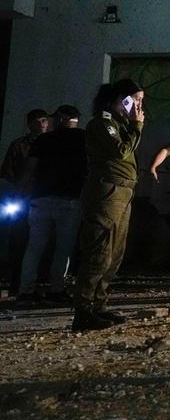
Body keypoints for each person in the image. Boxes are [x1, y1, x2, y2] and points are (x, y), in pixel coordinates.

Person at [72, 79, 145, 331]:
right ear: (119, 99)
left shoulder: (120, 125)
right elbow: (121, 152)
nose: (138, 107)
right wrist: (137, 126)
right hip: (108, 190)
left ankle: (99, 306)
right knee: (99, 250)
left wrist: (132, 125)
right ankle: (83, 310)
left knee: (115, 252)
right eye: (134, 100)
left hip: (124, 191)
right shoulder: (102, 124)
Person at [18, 105, 87, 304]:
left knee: (34, 247)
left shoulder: (44, 139)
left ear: (61, 118)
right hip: (71, 200)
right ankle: (57, 289)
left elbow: (30, 168)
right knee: (63, 248)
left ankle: (26, 292)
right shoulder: (85, 138)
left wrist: (21, 191)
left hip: (41, 199)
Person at [2, 108, 50, 294]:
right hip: (23, 197)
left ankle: (38, 282)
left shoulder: (52, 144)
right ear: (29, 124)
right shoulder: (19, 145)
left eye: (44, 121)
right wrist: (22, 186)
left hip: (43, 197)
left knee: (42, 240)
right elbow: (8, 171)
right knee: (19, 239)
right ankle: (17, 283)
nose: (41, 125)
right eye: (37, 121)